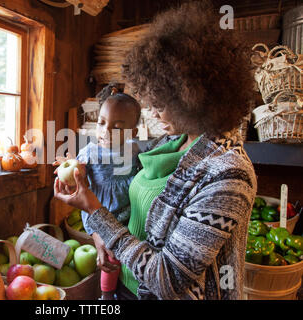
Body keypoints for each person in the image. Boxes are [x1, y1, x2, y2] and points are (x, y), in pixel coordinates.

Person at [54, 1, 257, 300]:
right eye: (151, 101)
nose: (153, 112)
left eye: (161, 105)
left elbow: (169, 280)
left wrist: (93, 211)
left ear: (194, 100)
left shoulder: (228, 175)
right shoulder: (170, 143)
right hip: (126, 285)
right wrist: (100, 239)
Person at [56, 83, 145, 300]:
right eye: (102, 123)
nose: (105, 131)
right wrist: (68, 167)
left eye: (117, 127)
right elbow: (78, 182)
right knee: (110, 259)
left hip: (130, 217)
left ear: (132, 132)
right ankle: (106, 296)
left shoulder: (136, 150)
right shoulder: (89, 152)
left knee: (134, 255)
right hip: (100, 215)